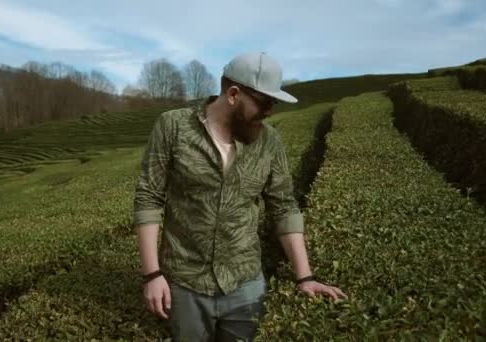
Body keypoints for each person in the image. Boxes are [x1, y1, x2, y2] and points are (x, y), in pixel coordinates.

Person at [133, 52, 347, 342]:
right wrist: (151, 275)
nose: (270, 111)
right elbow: (149, 198)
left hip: (245, 286)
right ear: (234, 94)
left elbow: (284, 207)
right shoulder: (173, 127)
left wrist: (305, 277)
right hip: (184, 284)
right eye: (265, 102)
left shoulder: (270, 142)